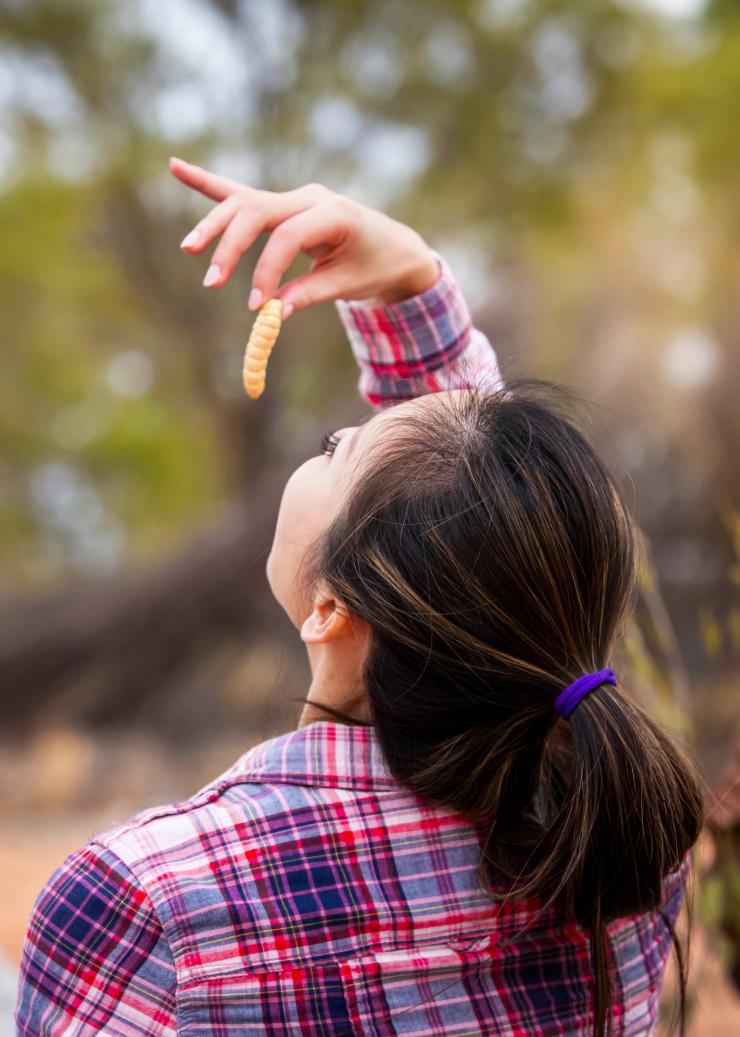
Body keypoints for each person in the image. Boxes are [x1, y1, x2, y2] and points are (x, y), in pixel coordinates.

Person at [15, 157, 704, 1037]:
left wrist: (414, 274)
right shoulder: (627, 846)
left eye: (338, 445)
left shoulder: (152, 902)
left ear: (331, 611)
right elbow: (485, 518)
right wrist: (414, 283)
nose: (337, 432)